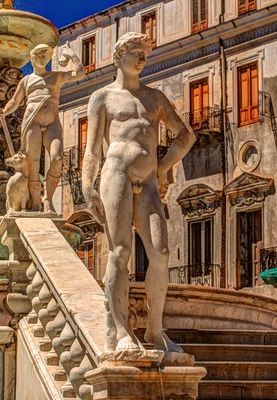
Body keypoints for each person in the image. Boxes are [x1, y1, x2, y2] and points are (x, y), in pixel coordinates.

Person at [82, 32, 195, 358]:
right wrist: (88, 187)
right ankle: (119, 331)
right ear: (119, 56)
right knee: (120, 251)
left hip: (147, 181)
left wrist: (163, 168)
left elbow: (186, 135)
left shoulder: (155, 98)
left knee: (160, 252)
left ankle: (155, 330)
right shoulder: (102, 98)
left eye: (145, 52)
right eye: (136, 51)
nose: (142, 58)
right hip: (115, 174)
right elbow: (91, 150)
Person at [0, 43, 85, 212]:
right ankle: (36, 202)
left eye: (46, 55)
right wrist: (5, 111)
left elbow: (80, 73)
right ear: (32, 58)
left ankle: (49, 198)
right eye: (40, 54)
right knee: (33, 162)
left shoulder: (56, 76)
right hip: (32, 121)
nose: (43, 58)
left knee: (57, 158)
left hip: (52, 122)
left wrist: (71, 54)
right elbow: (15, 101)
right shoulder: (26, 80)